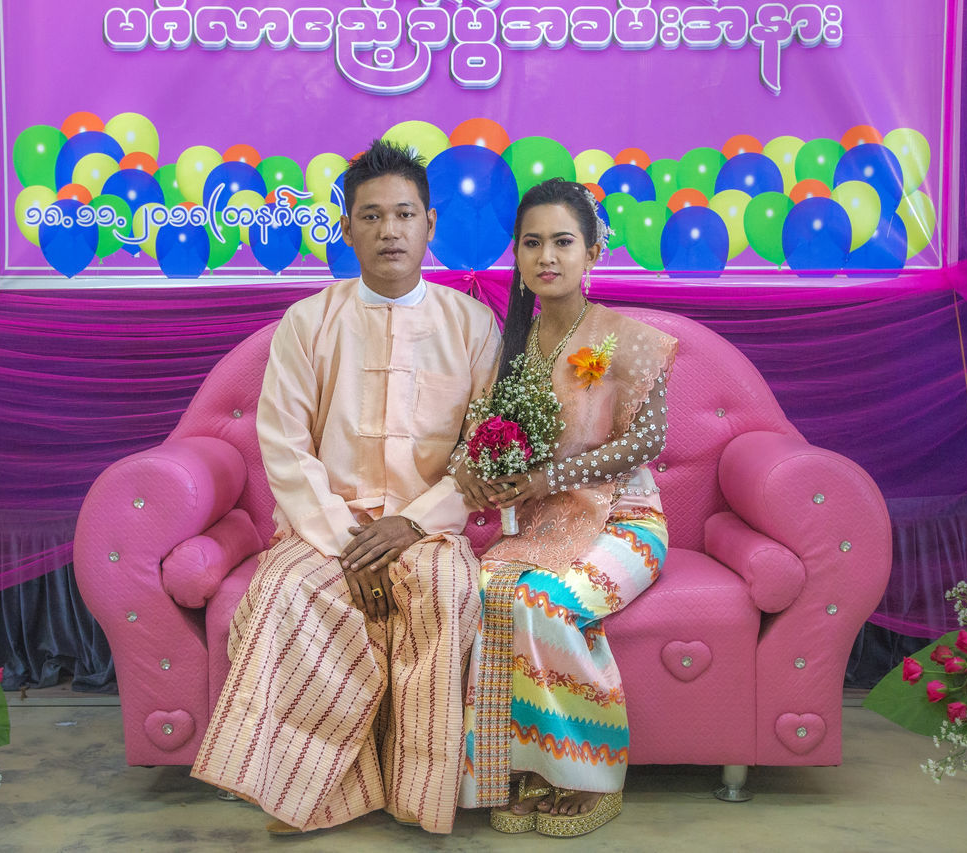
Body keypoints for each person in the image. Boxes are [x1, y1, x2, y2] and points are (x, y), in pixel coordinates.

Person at [190, 140, 500, 835]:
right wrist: (344, 540)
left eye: (404, 214)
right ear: (346, 227)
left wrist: (412, 524)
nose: (390, 230)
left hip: (431, 528)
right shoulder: (309, 322)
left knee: (447, 593)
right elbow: (285, 446)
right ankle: (311, 791)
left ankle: (420, 794)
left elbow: (483, 455)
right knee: (285, 591)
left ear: (430, 224)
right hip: (326, 523)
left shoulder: (474, 326)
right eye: (372, 216)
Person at [454, 178, 677, 837]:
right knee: (489, 586)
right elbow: (478, 432)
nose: (546, 256)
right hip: (543, 524)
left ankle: (588, 771)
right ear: (517, 256)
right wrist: (483, 476)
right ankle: (520, 765)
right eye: (532, 243)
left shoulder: (615, 340)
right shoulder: (511, 349)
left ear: (593, 251)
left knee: (545, 599)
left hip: (625, 523)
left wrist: (551, 473)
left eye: (562, 241)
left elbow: (647, 438)